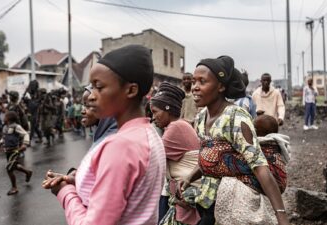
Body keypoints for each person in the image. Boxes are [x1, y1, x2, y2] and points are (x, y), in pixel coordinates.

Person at [42, 45, 166, 224]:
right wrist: (74, 179)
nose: (91, 96)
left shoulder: (121, 145)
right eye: (91, 87)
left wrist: (64, 191)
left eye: (99, 87)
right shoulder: (148, 133)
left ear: (131, 90)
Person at [179, 56, 289, 225]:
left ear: (221, 86)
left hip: (232, 207)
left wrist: (281, 217)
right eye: (194, 81)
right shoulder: (201, 118)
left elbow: (259, 166)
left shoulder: (235, 118)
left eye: (202, 81)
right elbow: (207, 157)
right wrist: (188, 178)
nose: (195, 87)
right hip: (206, 201)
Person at [150, 82, 201, 224]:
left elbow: (148, 158)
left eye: (155, 112)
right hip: (182, 198)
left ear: (167, 109)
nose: (153, 118)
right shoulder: (180, 124)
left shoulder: (176, 127)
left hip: (188, 196)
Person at [0, 111, 32, 195]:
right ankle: (27, 172)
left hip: (15, 151)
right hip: (7, 151)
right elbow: (4, 138)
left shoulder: (16, 127)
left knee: (9, 169)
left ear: (9, 118)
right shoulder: (5, 127)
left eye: (5, 116)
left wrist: (24, 144)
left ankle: (14, 187)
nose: (4, 117)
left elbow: (26, 134)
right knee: (13, 165)